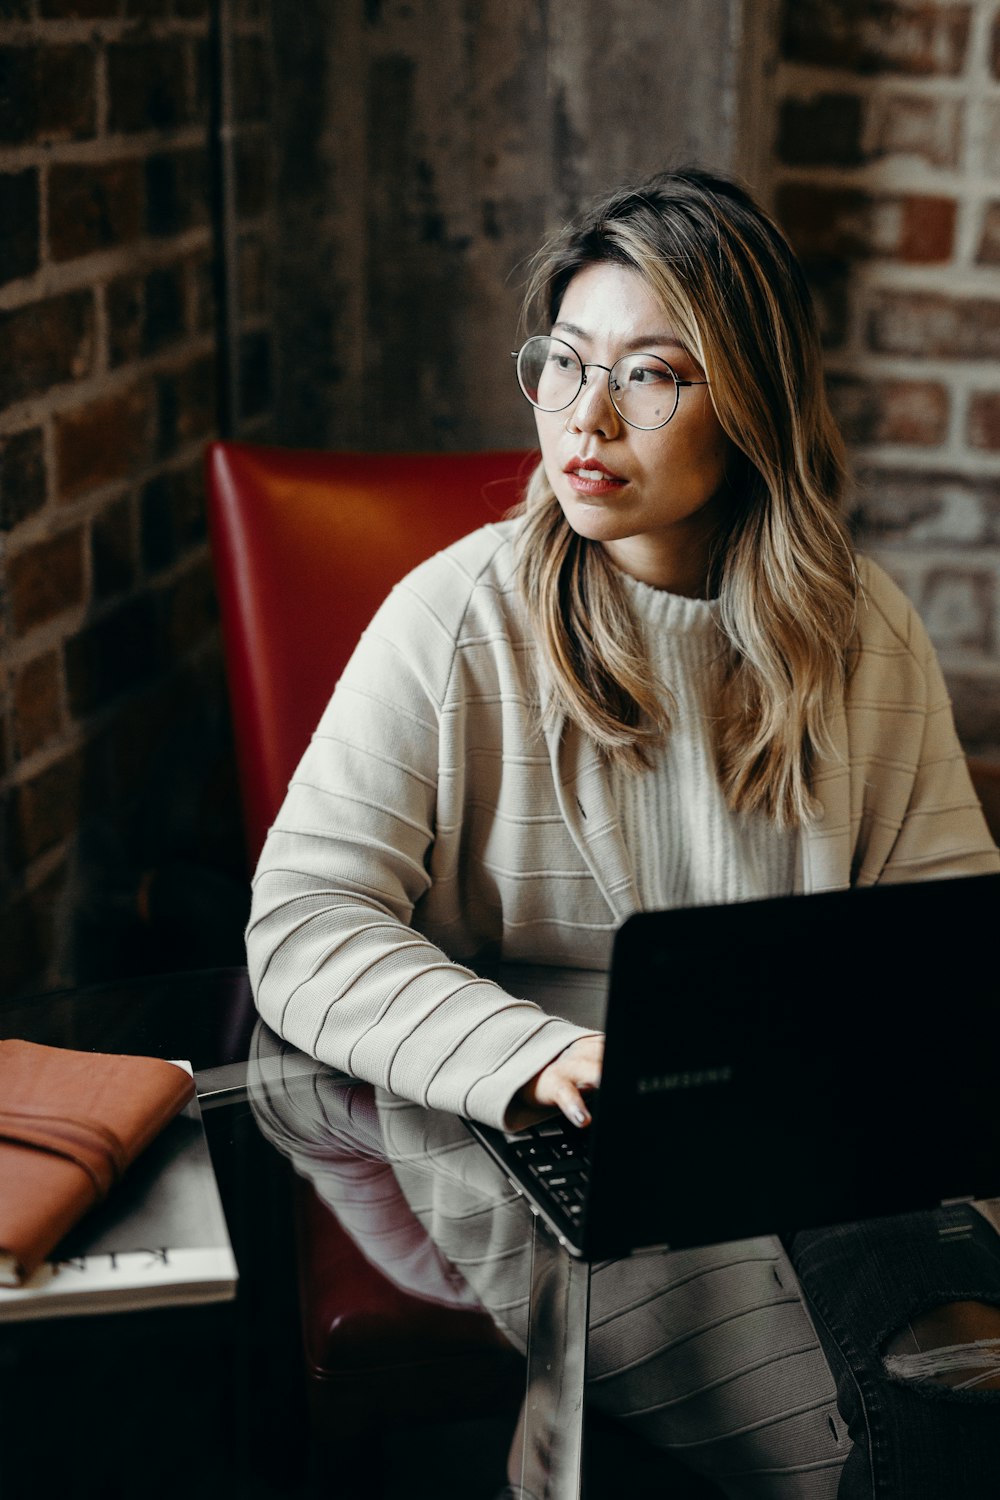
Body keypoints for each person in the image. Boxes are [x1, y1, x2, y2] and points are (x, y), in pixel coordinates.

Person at [248, 169, 1000, 1497]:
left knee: (964, 1393)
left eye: (651, 375)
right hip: (531, 1126)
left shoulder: (863, 629)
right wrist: (536, 1056)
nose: (585, 418)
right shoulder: (454, 616)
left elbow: (947, 948)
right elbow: (304, 926)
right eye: (564, 364)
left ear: (751, 405)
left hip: (814, 1126)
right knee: (886, 1441)